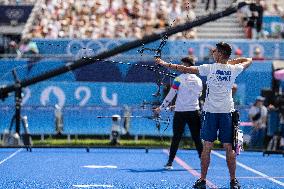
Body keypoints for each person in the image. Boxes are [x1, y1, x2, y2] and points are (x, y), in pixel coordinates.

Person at [155, 42, 253, 189]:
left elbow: (184, 69)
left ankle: (202, 180)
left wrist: (163, 63)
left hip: (211, 113)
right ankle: (233, 181)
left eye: (215, 51)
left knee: (207, 146)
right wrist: (228, 62)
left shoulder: (209, 68)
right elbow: (249, 59)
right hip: (227, 113)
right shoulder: (234, 69)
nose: (212, 53)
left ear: (220, 54)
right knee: (229, 147)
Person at [153, 56, 203, 170]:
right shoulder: (199, 80)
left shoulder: (178, 79)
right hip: (194, 112)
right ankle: (204, 161)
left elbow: (170, 96)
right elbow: (196, 96)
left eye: (182, 65)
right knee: (196, 138)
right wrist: (180, 104)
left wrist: (160, 108)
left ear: (186, 65)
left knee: (176, 137)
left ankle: (170, 163)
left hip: (181, 113)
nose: (180, 67)